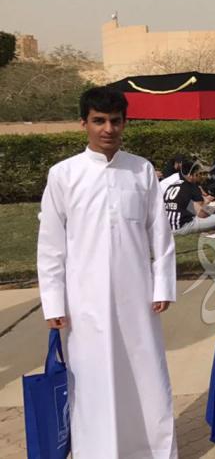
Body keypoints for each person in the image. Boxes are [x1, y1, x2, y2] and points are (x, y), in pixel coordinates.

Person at [37, 86, 177, 457]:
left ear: (125, 123)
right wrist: (53, 302)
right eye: (99, 121)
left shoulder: (141, 170)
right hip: (84, 302)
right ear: (83, 123)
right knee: (92, 382)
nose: (108, 129)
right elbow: (50, 245)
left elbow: (159, 233)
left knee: (146, 376)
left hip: (138, 297)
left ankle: (152, 451)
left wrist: (163, 285)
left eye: (115, 121)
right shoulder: (64, 175)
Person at [164, 160, 215, 236]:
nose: (198, 177)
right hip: (182, 227)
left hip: (167, 227)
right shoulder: (190, 186)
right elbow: (201, 214)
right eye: (196, 174)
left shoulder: (172, 186)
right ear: (190, 175)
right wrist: (213, 206)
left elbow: (184, 205)